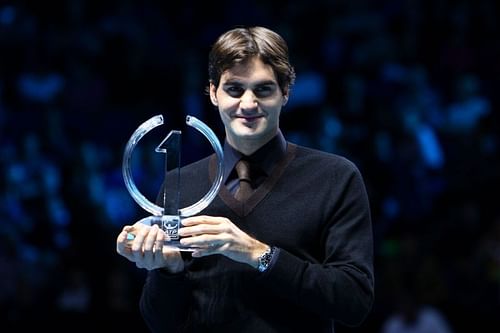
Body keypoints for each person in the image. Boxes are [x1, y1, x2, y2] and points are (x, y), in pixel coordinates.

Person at [116, 26, 374, 332]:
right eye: (234, 89)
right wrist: (168, 270)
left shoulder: (334, 177)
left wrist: (255, 252)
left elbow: (353, 300)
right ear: (213, 92)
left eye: (263, 89)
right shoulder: (181, 184)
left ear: (286, 92)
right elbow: (161, 323)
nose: (248, 104)